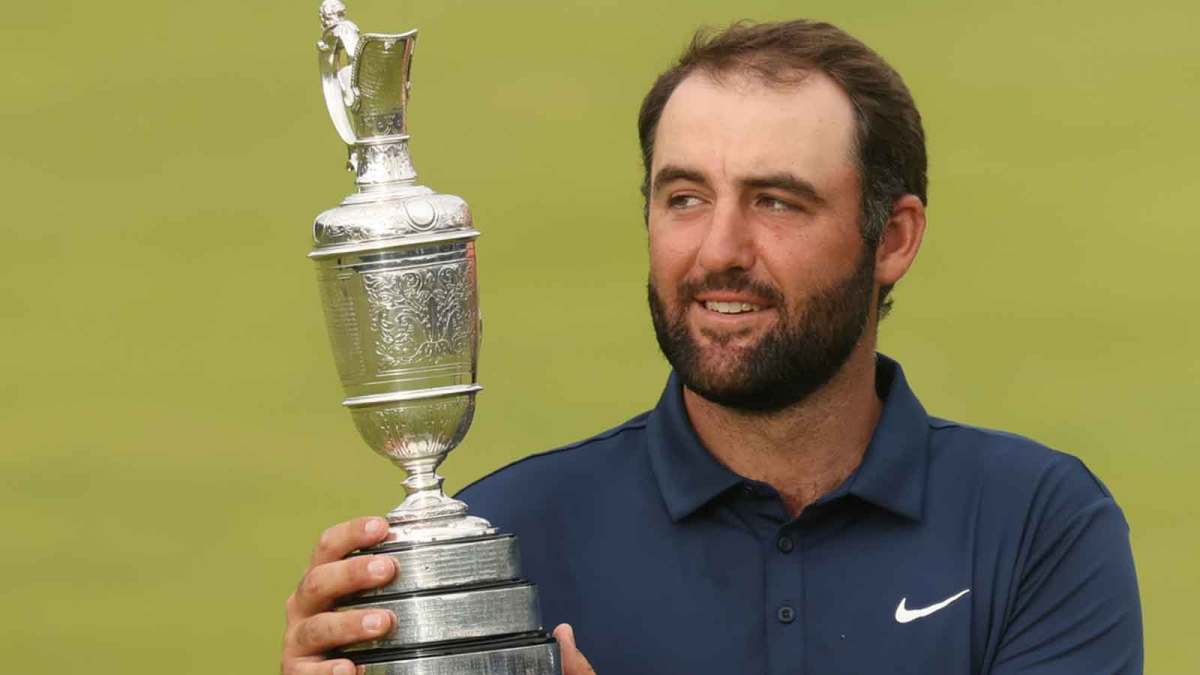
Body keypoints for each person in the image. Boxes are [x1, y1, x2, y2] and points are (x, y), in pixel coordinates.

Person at [281, 19, 1142, 675]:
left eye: (776, 201)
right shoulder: (502, 544)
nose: (719, 250)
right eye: (685, 198)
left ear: (893, 238)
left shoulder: (1037, 528)